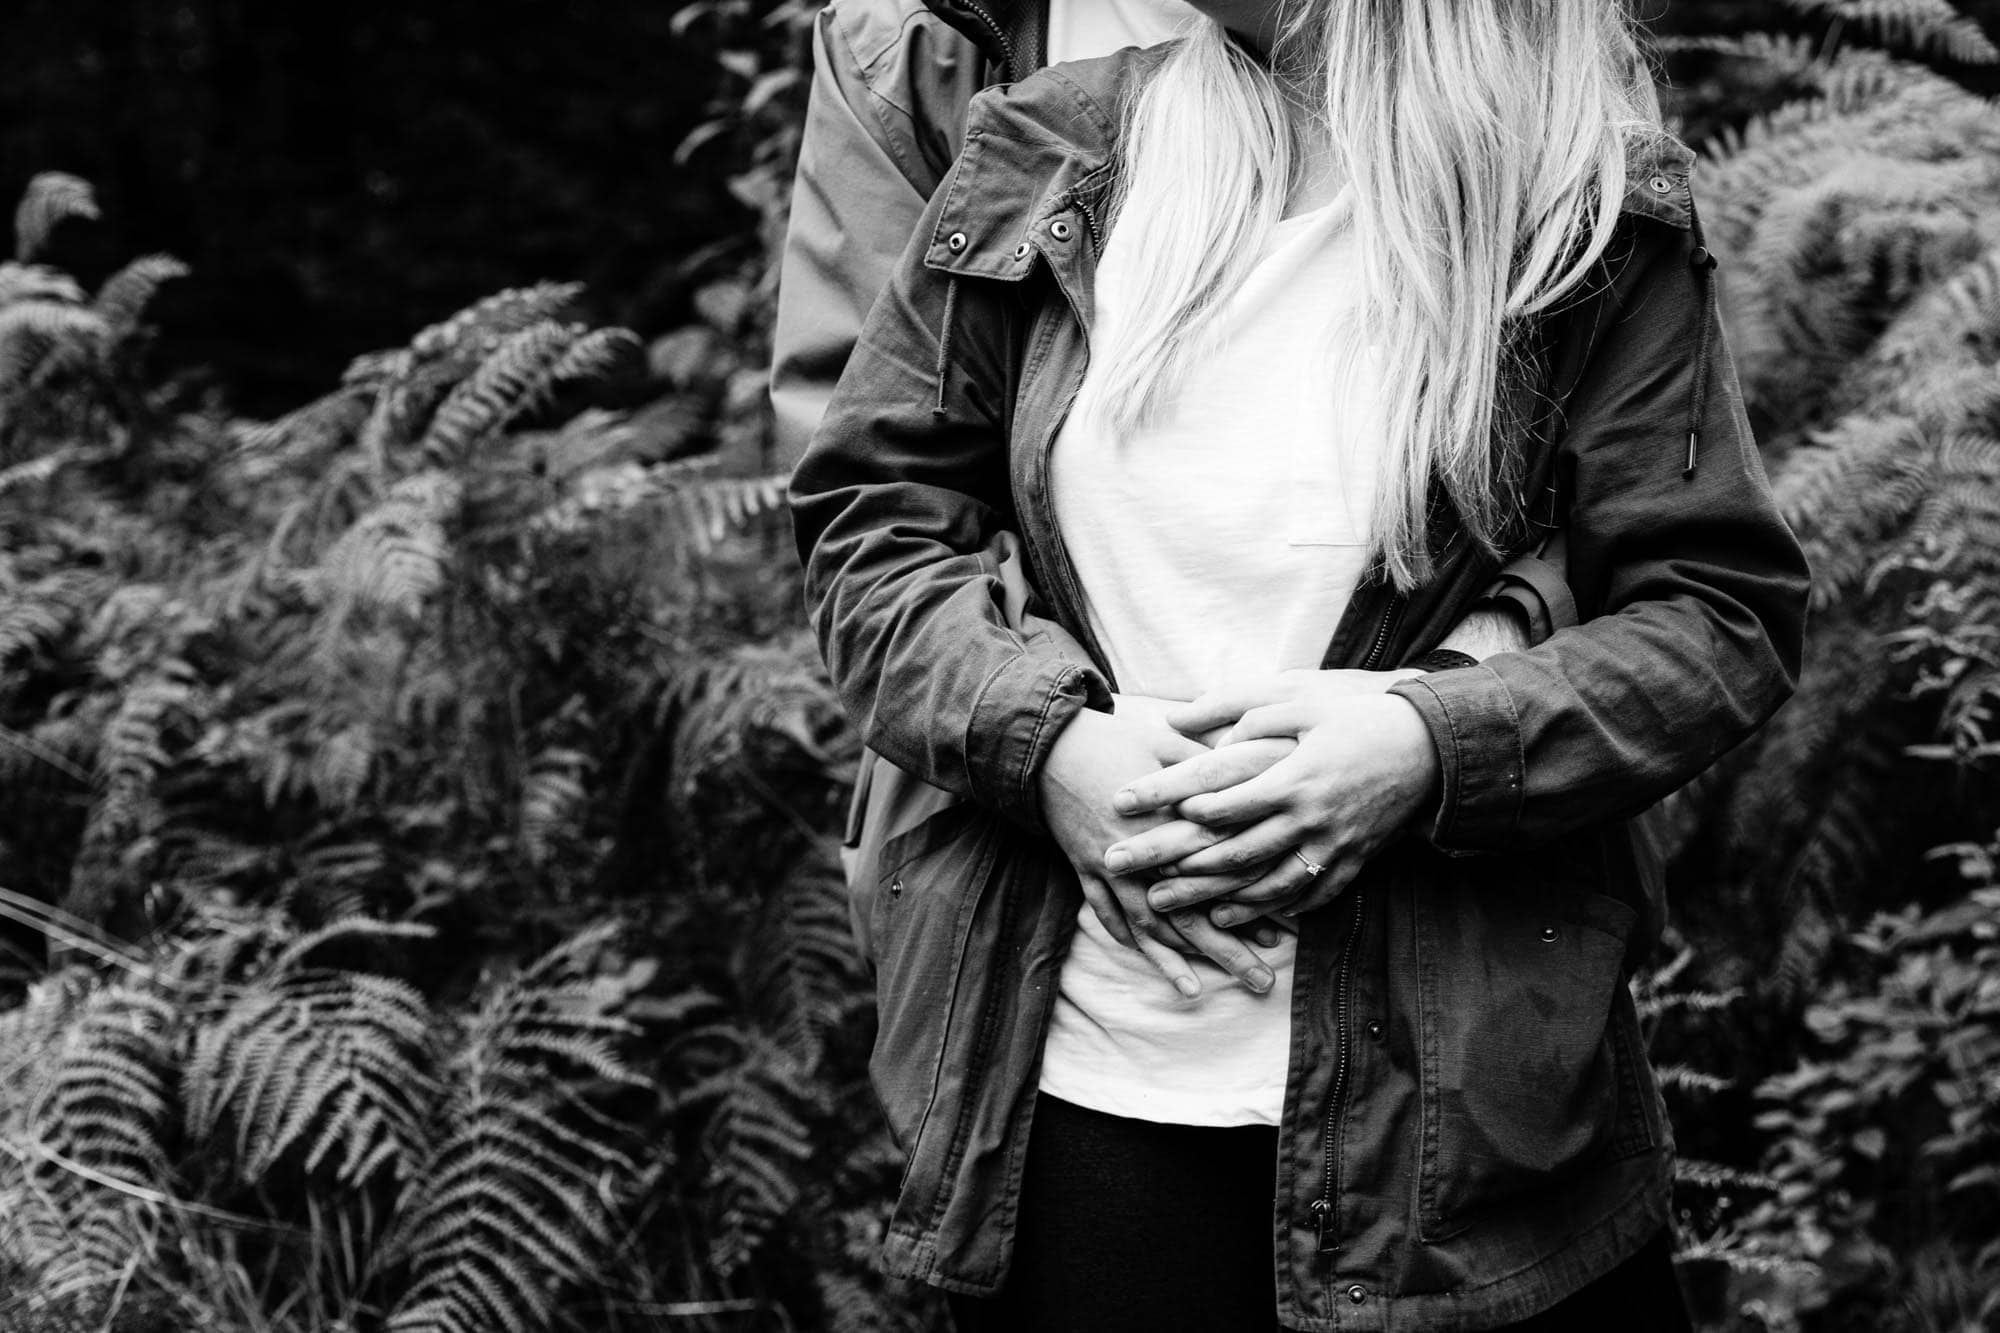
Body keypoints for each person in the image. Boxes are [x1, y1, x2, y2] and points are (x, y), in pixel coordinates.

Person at [789, 0, 1811, 1328]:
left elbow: (1715, 610)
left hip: (1463, 1137)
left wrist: (1427, 746)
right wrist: (1047, 749)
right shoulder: (1049, 151)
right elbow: (871, 529)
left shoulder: (1575, 210)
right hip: (1087, 1095)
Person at [771, 0, 1565, 991]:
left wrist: (1453, 698)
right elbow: (875, 480)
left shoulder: (1514, 75)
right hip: (1021, 893)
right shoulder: (915, 48)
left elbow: (1628, 509)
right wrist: (1052, 740)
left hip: (1453, 936)